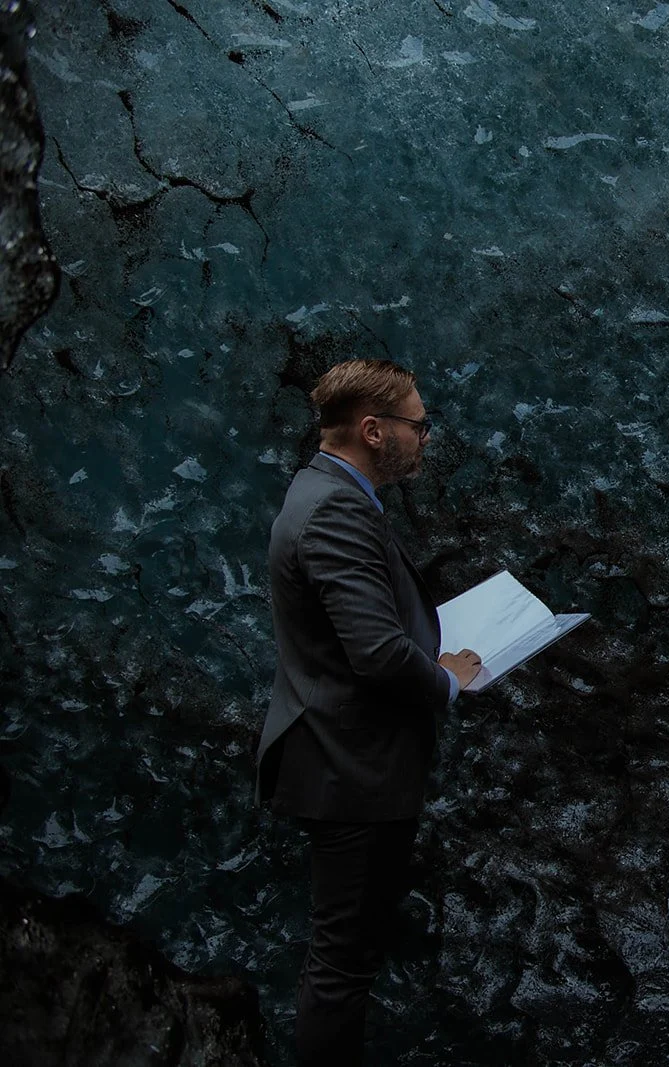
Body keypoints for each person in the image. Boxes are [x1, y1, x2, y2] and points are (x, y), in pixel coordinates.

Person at [254, 358, 483, 1066]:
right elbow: (377, 649)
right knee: (341, 966)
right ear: (374, 430)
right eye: (418, 423)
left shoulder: (327, 492)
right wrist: (444, 680)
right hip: (348, 767)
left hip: (346, 760)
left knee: (342, 958)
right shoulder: (333, 509)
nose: (425, 437)